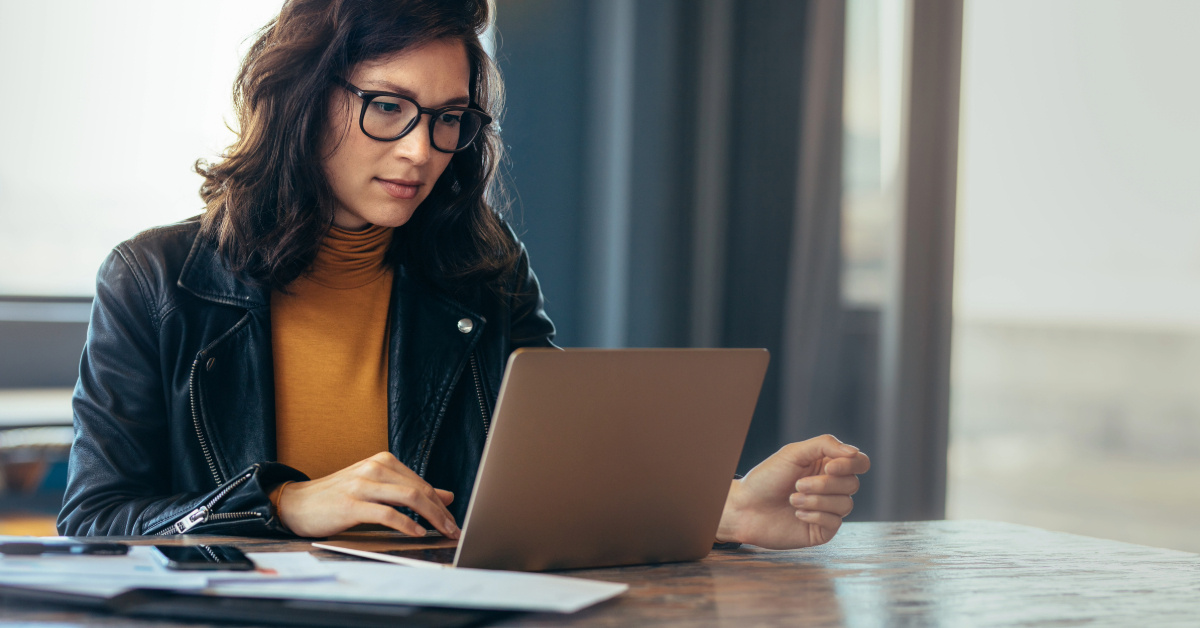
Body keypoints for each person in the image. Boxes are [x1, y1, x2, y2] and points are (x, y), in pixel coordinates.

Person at [57, 0, 870, 550]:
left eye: (449, 118)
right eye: (388, 106)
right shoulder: (155, 280)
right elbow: (94, 522)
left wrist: (722, 507)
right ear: (302, 97)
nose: (420, 150)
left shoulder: (482, 268)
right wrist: (281, 506)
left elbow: (555, 477)